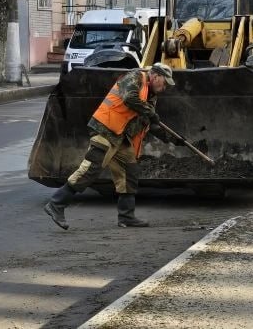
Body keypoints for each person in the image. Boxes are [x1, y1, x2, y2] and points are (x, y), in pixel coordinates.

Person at [43, 63, 176, 229]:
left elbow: (147, 120)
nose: (164, 88)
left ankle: (126, 217)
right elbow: (130, 98)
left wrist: (171, 138)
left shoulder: (151, 97)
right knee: (91, 167)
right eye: (164, 83)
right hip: (105, 129)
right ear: (156, 76)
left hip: (121, 137)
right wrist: (150, 113)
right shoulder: (135, 77)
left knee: (129, 172)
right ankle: (56, 203)